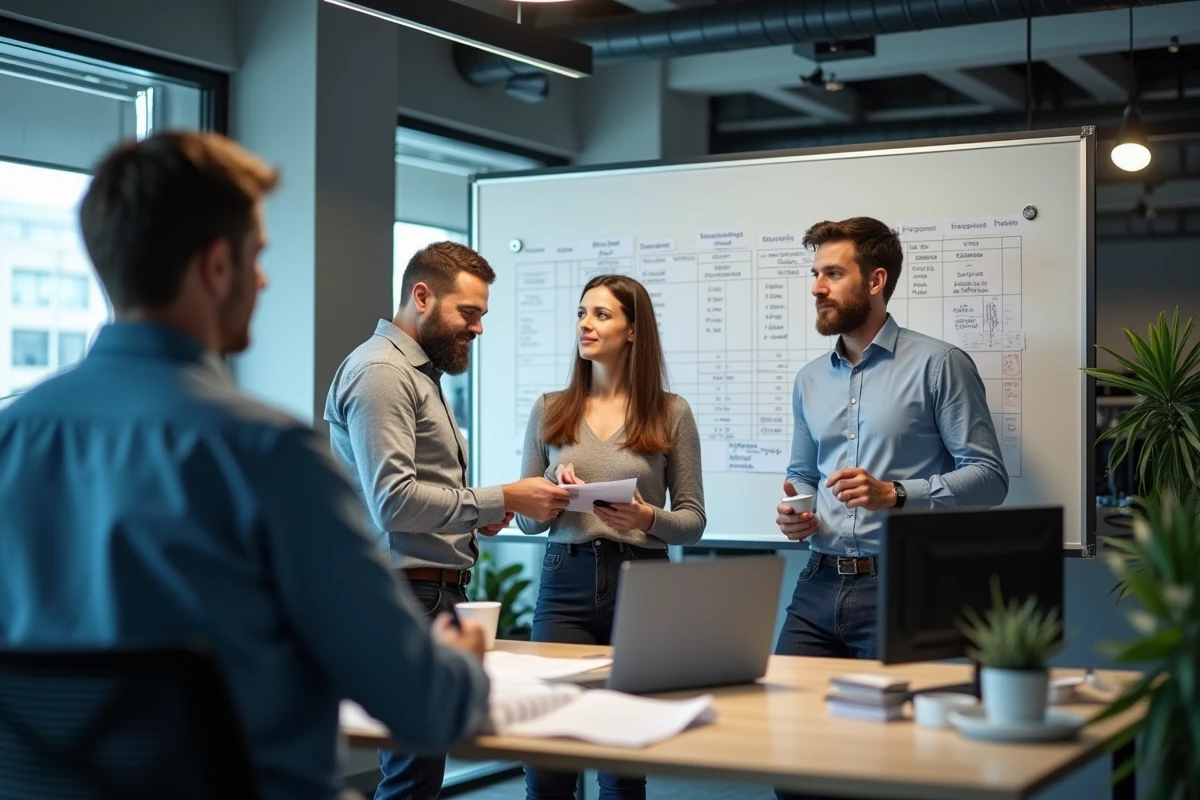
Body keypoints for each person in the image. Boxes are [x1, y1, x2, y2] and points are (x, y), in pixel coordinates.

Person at [0, 131, 490, 800]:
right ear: (216, 267)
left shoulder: (12, 438)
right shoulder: (266, 456)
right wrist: (462, 666)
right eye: (257, 255)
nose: (263, 279)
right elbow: (422, 708)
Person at [324, 241, 571, 800]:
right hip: (409, 596)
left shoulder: (417, 374)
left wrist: (483, 512)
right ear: (422, 296)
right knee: (412, 779)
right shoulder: (382, 372)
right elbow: (393, 501)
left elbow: (410, 496)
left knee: (417, 775)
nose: (478, 328)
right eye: (469, 312)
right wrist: (500, 496)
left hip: (427, 594)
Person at [516, 274, 707, 800]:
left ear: (633, 330)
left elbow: (692, 521)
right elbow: (527, 522)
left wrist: (646, 517)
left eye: (601, 314)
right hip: (565, 582)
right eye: (582, 313)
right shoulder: (549, 408)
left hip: (641, 584)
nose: (585, 324)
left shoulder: (671, 411)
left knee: (622, 767)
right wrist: (551, 487)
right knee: (547, 761)